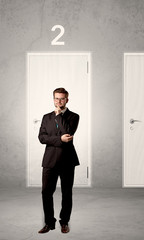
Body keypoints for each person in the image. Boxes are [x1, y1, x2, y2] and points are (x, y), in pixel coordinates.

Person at [38, 87, 80, 234]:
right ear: (53, 99)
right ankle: (49, 223)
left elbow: (68, 134)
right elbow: (42, 138)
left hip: (67, 160)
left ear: (67, 100)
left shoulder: (74, 116)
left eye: (62, 98)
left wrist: (58, 116)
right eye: (56, 98)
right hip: (49, 160)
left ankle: (64, 222)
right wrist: (58, 139)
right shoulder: (46, 117)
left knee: (66, 193)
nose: (59, 101)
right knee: (46, 192)